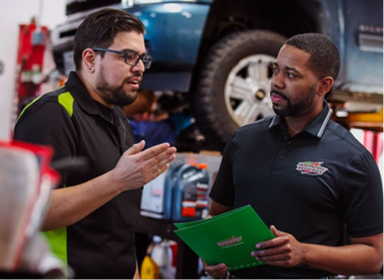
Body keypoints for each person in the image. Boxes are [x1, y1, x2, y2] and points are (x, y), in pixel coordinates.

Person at [204, 33, 384, 280]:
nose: (276, 82)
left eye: (291, 75)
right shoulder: (242, 140)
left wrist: (304, 253)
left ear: (324, 85)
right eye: (275, 69)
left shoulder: (352, 158)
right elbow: (216, 214)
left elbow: (374, 256)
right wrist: (212, 252)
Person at [13, 8, 177, 280]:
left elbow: (118, 228)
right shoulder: (52, 113)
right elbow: (31, 212)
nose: (139, 68)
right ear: (90, 58)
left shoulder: (118, 118)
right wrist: (117, 180)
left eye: (142, 58)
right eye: (128, 57)